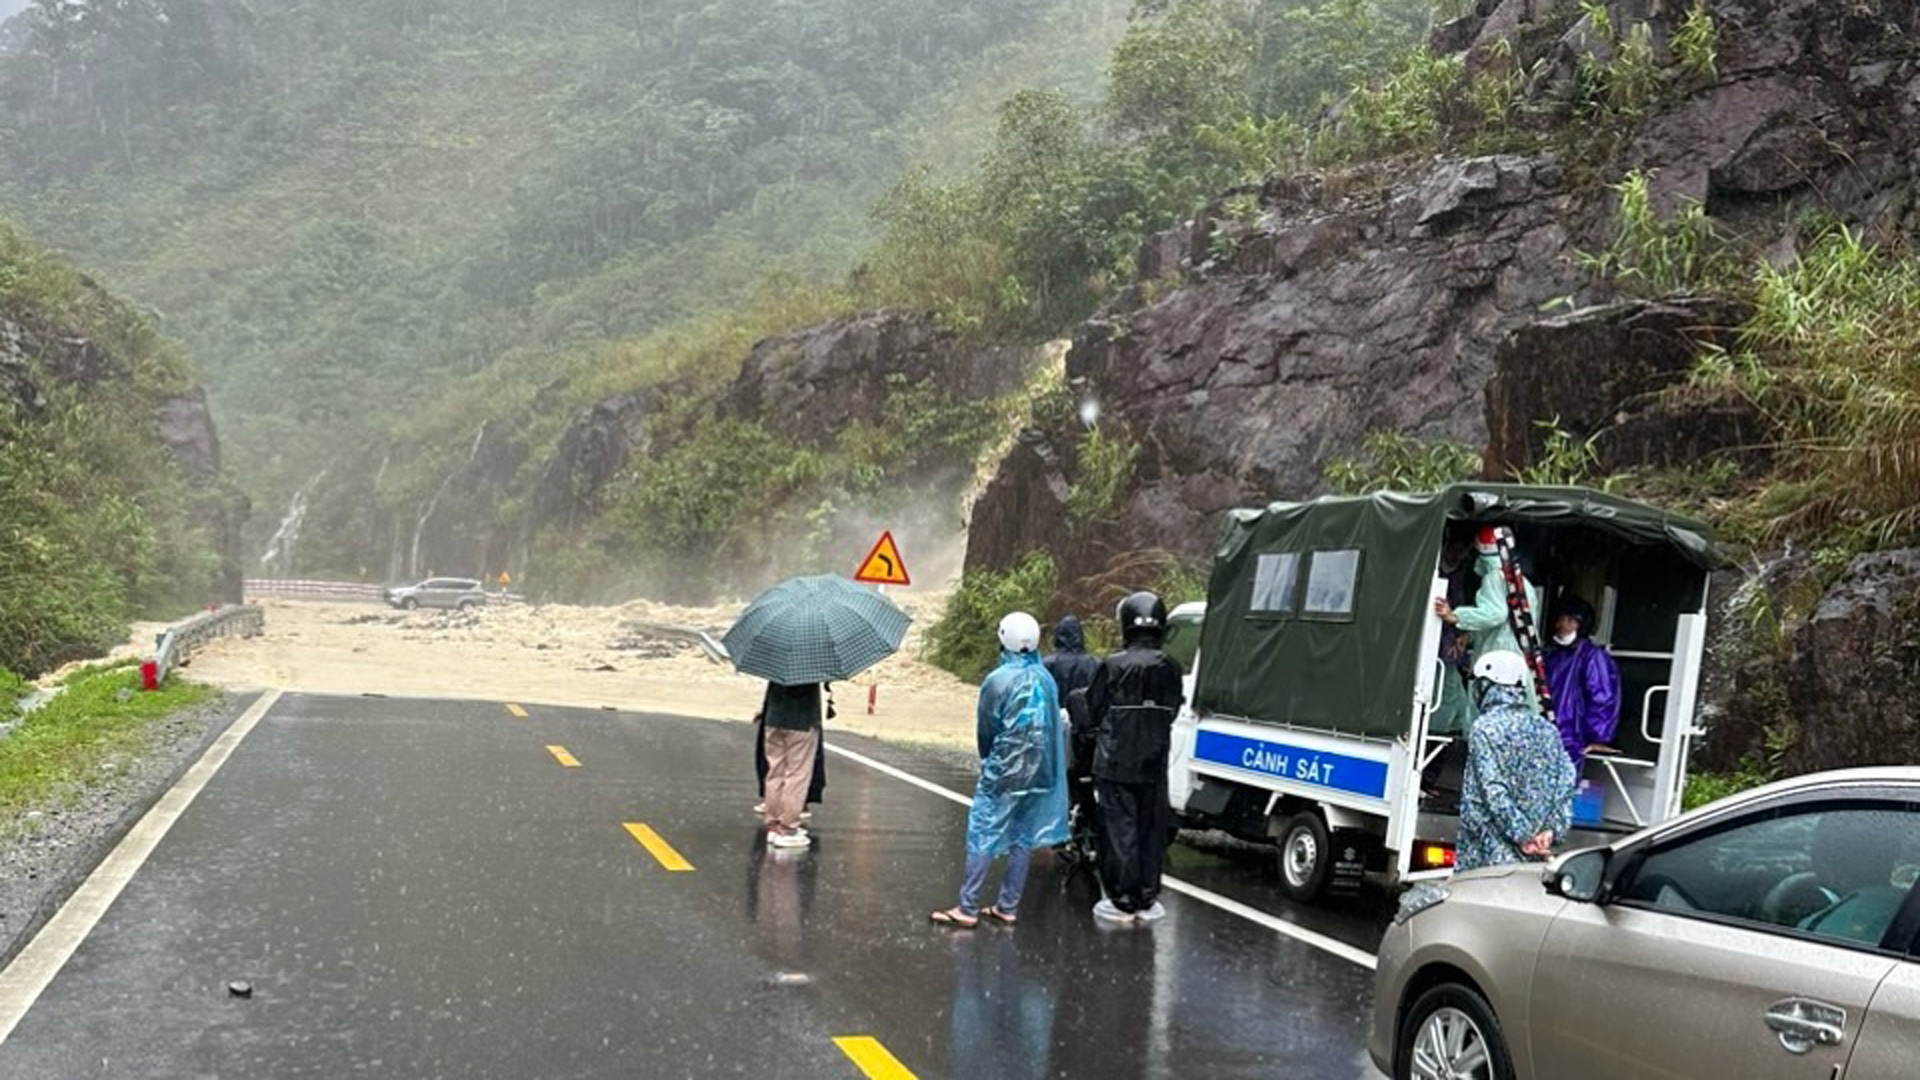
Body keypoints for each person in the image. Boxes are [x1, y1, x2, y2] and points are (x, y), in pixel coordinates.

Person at [931, 612, 1069, 928]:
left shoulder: (998, 680)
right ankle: (1008, 906)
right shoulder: (1045, 678)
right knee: (1022, 834)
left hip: (1005, 770)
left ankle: (967, 908)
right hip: (1041, 771)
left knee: (983, 830)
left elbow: (987, 726)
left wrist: (989, 760)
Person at [1087, 591, 1185, 924]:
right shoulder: (1171, 667)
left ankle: (1122, 899)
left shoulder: (1113, 665)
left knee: (1118, 830)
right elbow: (1173, 709)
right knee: (1150, 829)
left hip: (1115, 762)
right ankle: (1146, 896)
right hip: (1154, 762)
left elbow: (1092, 709)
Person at [1456, 651, 1576, 872]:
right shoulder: (1547, 729)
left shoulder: (1485, 729)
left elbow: (1492, 791)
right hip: (1536, 853)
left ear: (1486, 686)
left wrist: (1522, 834)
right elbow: (1566, 783)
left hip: (1486, 853)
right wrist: (1551, 830)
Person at [1433, 526, 1545, 714]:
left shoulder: (1494, 577)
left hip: (1497, 660)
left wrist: (1456, 616)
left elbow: (1495, 614)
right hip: (1520, 659)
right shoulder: (1522, 583)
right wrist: (1470, 636)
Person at [1043, 616, 1101, 858]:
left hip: (1055, 728)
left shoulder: (1047, 664)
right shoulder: (1095, 664)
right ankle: (1087, 826)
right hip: (1085, 731)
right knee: (1082, 777)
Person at [1543, 597, 1621, 766]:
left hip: (1573, 739)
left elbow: (1602, 698)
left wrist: (1598, 738)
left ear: (1582, 624)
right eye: (1561, 619)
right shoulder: (1550, 654)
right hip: (1547, 733)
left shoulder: (1592, 656)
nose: (1563, 624)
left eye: (1571, 620)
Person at [760, 680, 823, 849]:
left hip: (773, 719)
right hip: (801, 721)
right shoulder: (811, 664)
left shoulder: (775, 659)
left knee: (775, 772)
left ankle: (773, 823)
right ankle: (788, 827)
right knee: (797, 775)